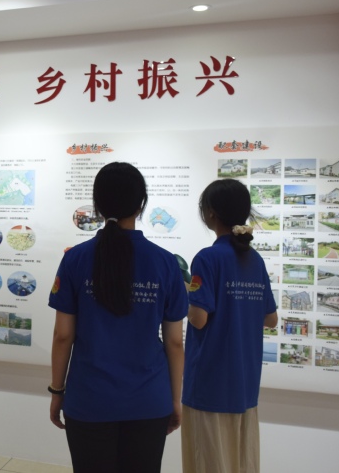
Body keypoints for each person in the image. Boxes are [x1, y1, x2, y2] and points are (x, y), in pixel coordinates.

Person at [48, 162, 188, 473]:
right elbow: (175, 342)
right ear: (141, 205)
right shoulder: (166, 263)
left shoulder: (75, 259)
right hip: (149, 400)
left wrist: (57, 392)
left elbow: (63, 335)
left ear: (97, 206)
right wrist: (174, 400)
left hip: (89, 400)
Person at [181, 179, 278, 473]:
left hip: (210, 383)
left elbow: (198, 318)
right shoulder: (255, 259)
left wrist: (185, 291)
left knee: (208, 463)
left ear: (210, 213)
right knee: (242, 463)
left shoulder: (207, 258)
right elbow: (271, 319)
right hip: (245, 384)